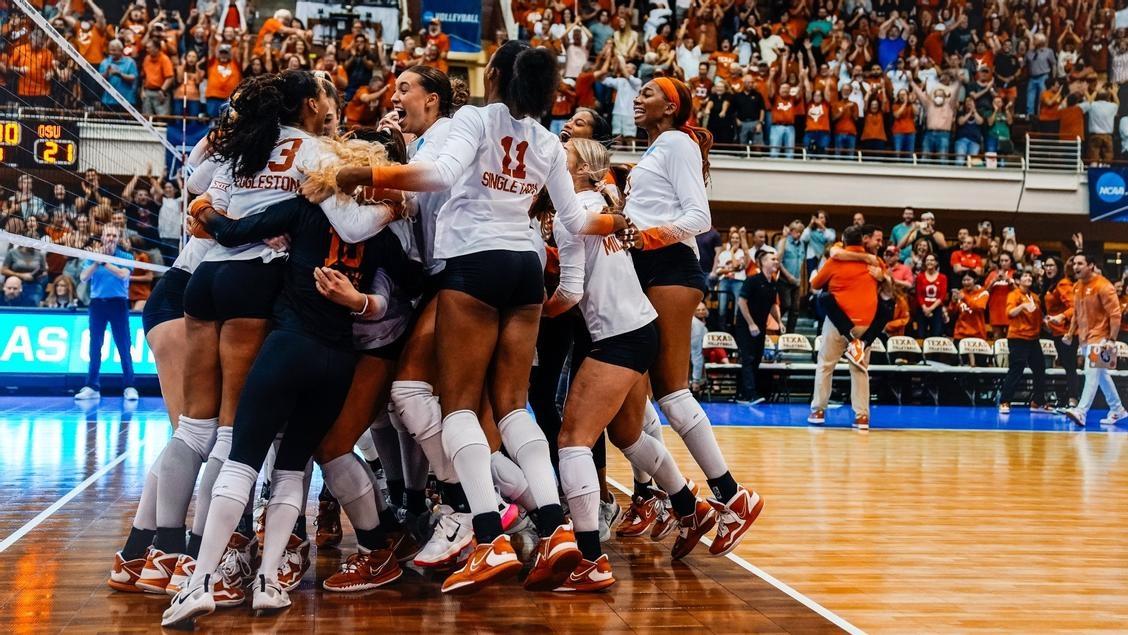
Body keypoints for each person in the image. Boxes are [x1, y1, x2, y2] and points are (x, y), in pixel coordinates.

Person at [313, 41, 625, 595]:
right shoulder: (551, 142)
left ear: (497, 75)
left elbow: (436, 176)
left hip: (473, 267)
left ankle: (487, 533)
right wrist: (617, 221)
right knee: (512, 405)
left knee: (457, 405)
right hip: (525, 272)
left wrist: (361, 176)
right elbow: (576, 219)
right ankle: (556, 527)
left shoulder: (477, 119)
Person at [161, 73, 399, 627]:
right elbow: (393, 261)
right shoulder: (355, 205)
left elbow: (214, 212)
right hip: (336, 351)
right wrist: (393, 209)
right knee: (292, 465)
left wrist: (213, 216)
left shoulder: (259, 152)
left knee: (222, 442)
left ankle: (194, 572)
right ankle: (270, 580)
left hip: (232, 297)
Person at [549, 137, 710, 588]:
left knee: (573, 439)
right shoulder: (599, 207)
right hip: (640, 328)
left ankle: (590, 560)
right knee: (625, 433)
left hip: (618, 337)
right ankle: (688, 507)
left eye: (564, 155)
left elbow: (571, 293)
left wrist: (533, 311)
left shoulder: (574, 216)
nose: (553, 158)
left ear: (580, 170)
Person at [614, 75, 762, 554]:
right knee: (654, 390)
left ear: (673, 108)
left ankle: (731, 495)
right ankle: (673, 498)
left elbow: (700, 218)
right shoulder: (658, 149)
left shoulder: (676, 142)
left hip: (671, 267)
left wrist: (649, 236)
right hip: (650, 267)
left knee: (672, 391)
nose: (638, 98)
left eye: (649, 93)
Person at [808, 224, 881, 430]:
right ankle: (862, 417)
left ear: (844, 240)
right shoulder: (874, 261)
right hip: (865, 324)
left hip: (839, 322)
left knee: (826, 364)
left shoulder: (836, 260)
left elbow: (815, 284)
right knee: (859, 368)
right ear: (863, 241)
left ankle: (818, 410)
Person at [1062, 254, 1127, 427]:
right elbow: (1076, 312)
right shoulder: (1077, 287)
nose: (1076, 267)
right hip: (1085, 339)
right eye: (1074, 263)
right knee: (1102, 376)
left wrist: (1112, 340)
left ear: (1090, 265)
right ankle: (1118, 410)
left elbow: (1115, 314)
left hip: (1102, 339)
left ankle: (1081, 411)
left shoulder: (1104, 286)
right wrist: (1070, 333)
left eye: (1080, 263)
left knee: (1091, 372)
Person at [75, 224, 137, 401]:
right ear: (102, 237)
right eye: (107, 235)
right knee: (95, 346)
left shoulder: (126, 256)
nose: (110, 238)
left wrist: (104, 261)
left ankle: (130, 386)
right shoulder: (92, 257)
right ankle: (92, 386)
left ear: (118, 238)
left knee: (124, 346)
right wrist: (96, 261)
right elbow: (83, 277)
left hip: (118, 304)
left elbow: (123, 274)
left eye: (114, 235)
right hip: (98, 305)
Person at [998, 270, 1049, 414]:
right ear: (1018, 280)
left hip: (1033, 338)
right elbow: (1009, 313)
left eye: (1029, 276)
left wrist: (1047, 323)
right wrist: (1022, 306)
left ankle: (1037, 402)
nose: (1028, 278)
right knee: (1016, 370)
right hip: (1018, 337)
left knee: (1040, 369)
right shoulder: (1013, 295)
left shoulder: (1035, 297)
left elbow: (1039, 317)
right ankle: (1005, 401)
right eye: (1025, 276)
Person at [735, 249, 782, 405]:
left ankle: (742, 394)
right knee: (748, 358)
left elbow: (773, 305)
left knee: (756, 359)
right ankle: (749, 394)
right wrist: (750, 323)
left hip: (760, 326)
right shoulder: (752, 280)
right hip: (746, 326)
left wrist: (779, 322)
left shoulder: (773, 283)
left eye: (776, 258)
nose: (776, 261)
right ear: (763, 262)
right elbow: (742, 302)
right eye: (772, 259)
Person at [1042, 257, 1078, 409]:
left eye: (1052, 265)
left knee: (1070, 366)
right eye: (1046, 265)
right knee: (1065, 365)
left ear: (1058, 268)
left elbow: (1074, 306)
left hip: (1067, 333)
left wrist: (1062, 317)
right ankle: (1067, 398)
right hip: (1056, 332)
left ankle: (1073, 399)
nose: (1048, 268)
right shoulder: (1050, 285)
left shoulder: (1062, 284)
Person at [915, 254, 948, 338]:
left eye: (932, 260)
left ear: (936, 262)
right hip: (922, 309)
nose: (929, 262)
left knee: (936, 335)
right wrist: (925, 308)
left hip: (936, 309)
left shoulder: (942, 277)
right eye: (927, 260)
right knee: (921, 334)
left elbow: (942, 296)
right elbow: (918, 295)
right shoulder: (920, 277)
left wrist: (931, 308)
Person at [950, 272, 989, 342]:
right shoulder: (960, 292)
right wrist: (953, 302)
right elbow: (952, 312)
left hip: (978, 334)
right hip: (960, 333)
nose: (966, 282)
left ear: (975, 280)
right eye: (964, 280)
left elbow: (979, 307)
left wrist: (964, 298)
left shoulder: (983, 293)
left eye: (968, 280)